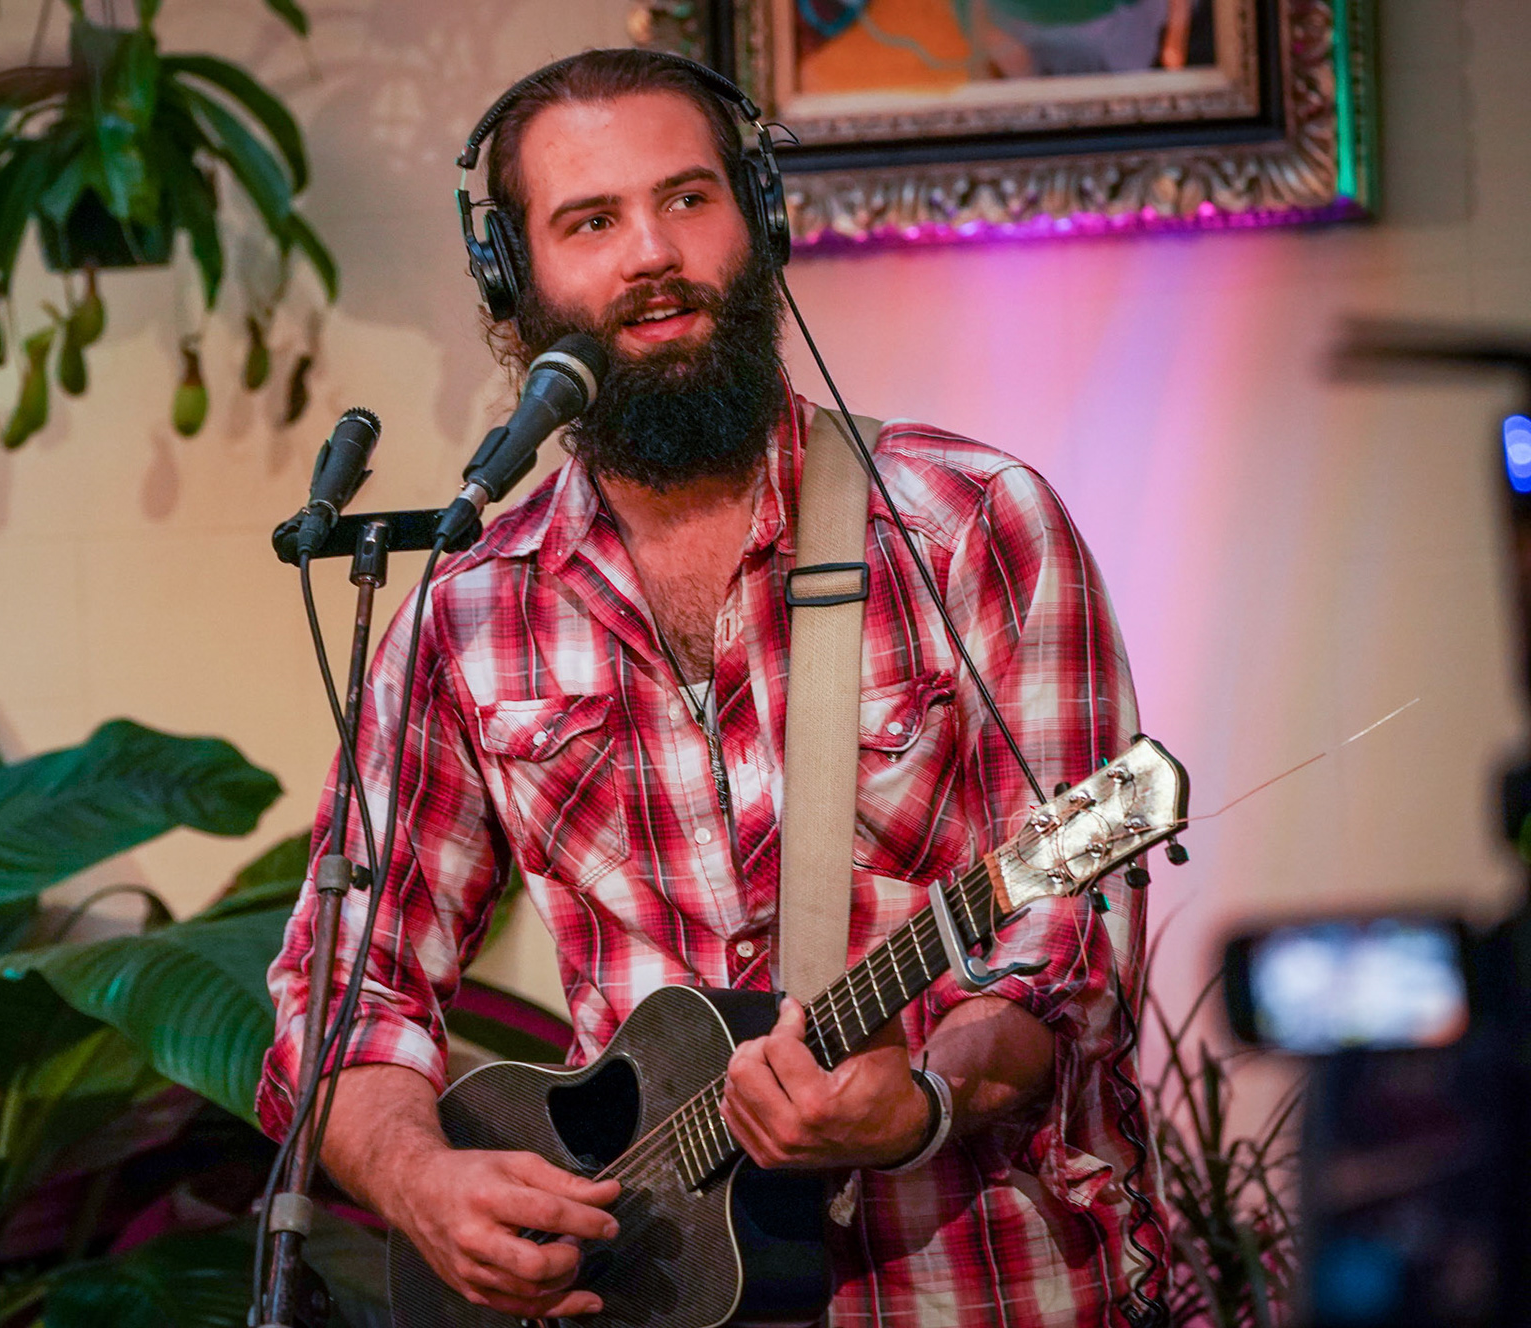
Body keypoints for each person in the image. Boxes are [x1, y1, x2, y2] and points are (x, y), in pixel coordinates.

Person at [259, 47, 1163, 1326]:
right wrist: (422, 1182)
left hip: (976, 1289)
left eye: (688, 199)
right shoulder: (465, 617)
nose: (653, 254)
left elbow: (1071, 949)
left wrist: (927, 1097)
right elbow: (342, 990)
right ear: (512, 282)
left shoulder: (972, 527)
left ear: (759, 215)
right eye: (591, 221)